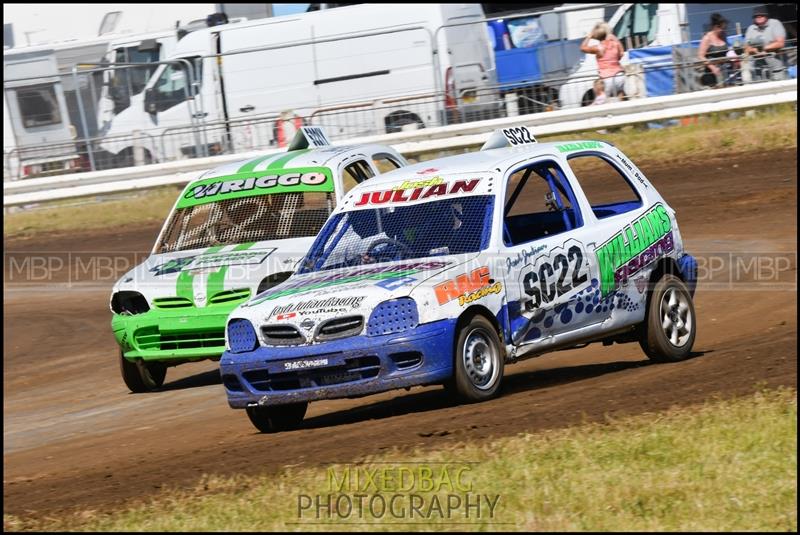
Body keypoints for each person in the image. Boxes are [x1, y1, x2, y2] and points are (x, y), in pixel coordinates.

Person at [581, 22, 626, 99]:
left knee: (606, 102)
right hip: (619, 76)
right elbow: (621, 54)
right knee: (621, 100)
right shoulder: (615, 44)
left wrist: (588, 36)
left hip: (607, 78)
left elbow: (583, 48)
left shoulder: (598, 48)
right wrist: (614, 38)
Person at [744, 6, 787, 80]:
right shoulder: (751, 28)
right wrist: (755, 50)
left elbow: (780, 43)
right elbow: (746, 48)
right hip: (759, 71)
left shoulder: (775, 23)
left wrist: (763, 48)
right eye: (756, 16)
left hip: (777, 69)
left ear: (767, 16)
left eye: (762, 15)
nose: (759, 17)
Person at [698, 13, 739, 87]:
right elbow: (701, 56)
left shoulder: (723, 35)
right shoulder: (707, 38)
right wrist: (712, 67)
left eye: (724, 28)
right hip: (712, 72)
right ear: (715, 27)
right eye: (721, 28)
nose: (723, 30)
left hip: (725, 69)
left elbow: (727, 49)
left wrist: (733, 57)